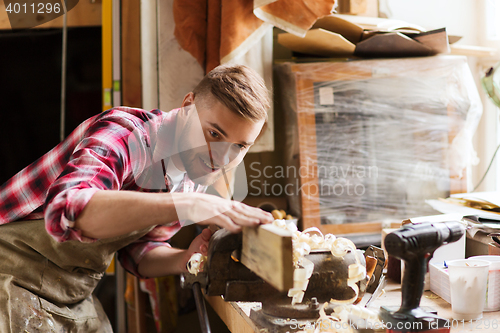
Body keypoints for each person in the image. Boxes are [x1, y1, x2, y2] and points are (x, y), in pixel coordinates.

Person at [0, 64, 274, 332]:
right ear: (188, 105)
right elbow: (68, 211)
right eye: (214, 133)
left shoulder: (194, 173)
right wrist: (188, 205)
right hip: (10, 269)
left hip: (69, 288)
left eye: (239, 146)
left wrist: (185, 259)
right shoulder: (128, 134)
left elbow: (139, 251)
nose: (221, 159)